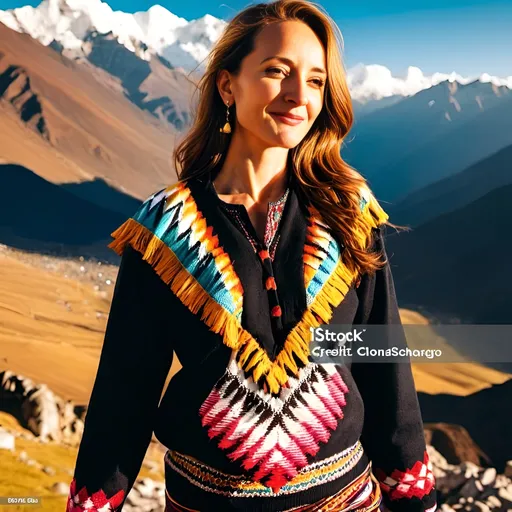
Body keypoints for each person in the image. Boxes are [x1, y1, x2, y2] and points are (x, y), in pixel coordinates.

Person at [66, 1, 437, 511]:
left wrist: (415, 499)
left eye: (314, 81)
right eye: (275, 72)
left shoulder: (348, 214)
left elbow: (384, 366)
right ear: (227, 86)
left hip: (347, 500)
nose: (296, 96)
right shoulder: (165, 229)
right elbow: (124, 389)